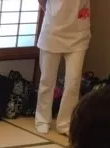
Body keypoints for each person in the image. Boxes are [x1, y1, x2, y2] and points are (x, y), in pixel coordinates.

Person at [35, 0, 91, 135]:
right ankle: (42, 119)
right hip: (53, 29)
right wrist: (52, 13)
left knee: (73, 82)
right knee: (47, 80)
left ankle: (65, 123)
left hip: (78, 30)